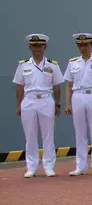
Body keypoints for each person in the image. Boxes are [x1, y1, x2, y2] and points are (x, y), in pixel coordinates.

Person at [13, 34, 63, 178]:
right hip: (29, 100)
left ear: (44, 47)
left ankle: (48, 166)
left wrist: (58, 104)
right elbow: (19, 86)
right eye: (34, 46)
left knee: (48, 135)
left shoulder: (52, 65)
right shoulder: (23, 65)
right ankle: (31, 167)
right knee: (30, 135)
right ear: (30, 47)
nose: (37, 49)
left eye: (39, 46)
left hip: (46, 100)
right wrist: (18, 105)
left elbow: (57, 86)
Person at [64, 33, 92, 176]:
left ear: (91, 45)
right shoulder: (73, 63)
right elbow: (68, 84)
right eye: (80, 45)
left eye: (85, 45)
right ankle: (80, 166)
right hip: (77, 96)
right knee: (80, 132)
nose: (82, 48)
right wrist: (67, 103)